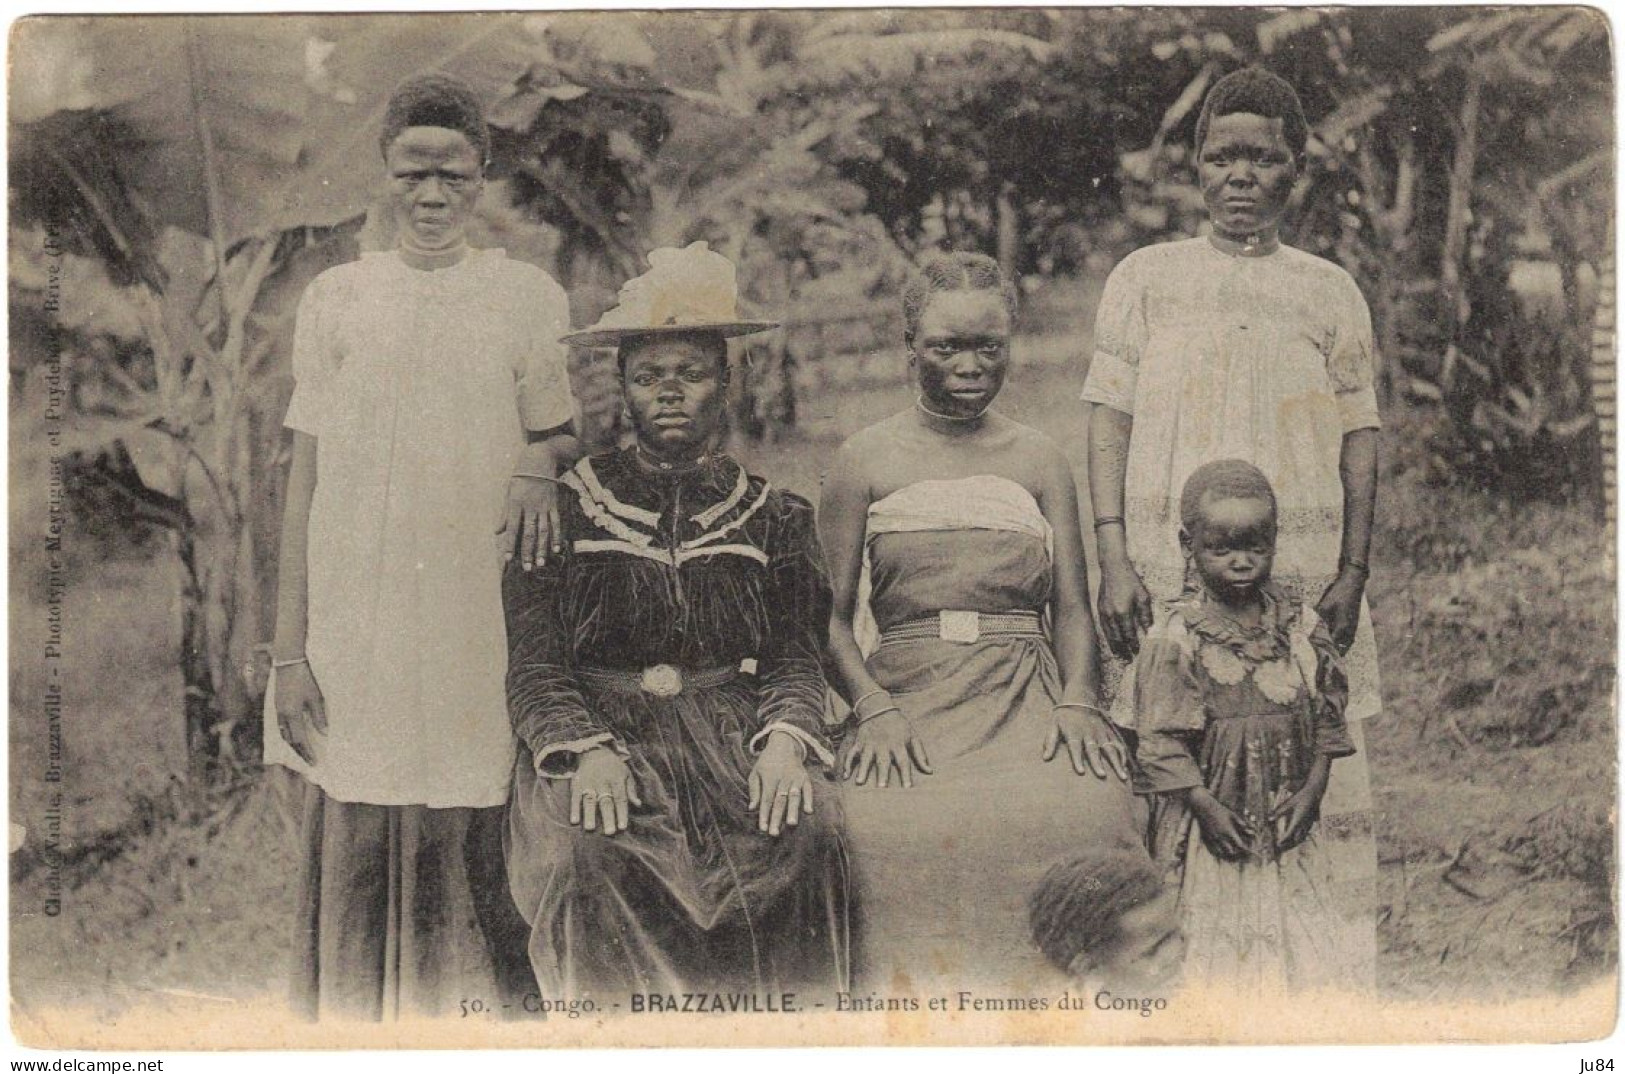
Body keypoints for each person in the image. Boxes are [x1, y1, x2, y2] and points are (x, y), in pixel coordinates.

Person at [265, 74, 577, 1020]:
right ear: (386, 174)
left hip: (471, 604)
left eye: (454, 175)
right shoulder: (337, 299)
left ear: (482, 177)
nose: (432, 197)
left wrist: (536, 463)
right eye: (413, 173)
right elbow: (304, 481)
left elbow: (558, 431)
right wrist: (288, 651)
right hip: (357, 609)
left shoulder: (525, 295)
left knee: (469, 792)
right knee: (364, 793)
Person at [1082, 66, 1380, 983]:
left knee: (1305, 754)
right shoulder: (1146, 279)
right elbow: (1107, 420)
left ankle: (1311, 983)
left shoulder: (1327, 291)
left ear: (1298, 169)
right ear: (1196, 167)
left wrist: (1352, 572)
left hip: (1291, 575)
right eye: (1221, 157)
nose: (1239, 176)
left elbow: (1360, 437)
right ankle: (1179, 986)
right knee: (1170, 763)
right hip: (1165, 575)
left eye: (1262, 158)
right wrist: (1112, 560)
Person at [502, 243, 849, 1000]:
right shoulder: (565, 507)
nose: (668, 394)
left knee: (806, 832)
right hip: (604, 734)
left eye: (690, 375)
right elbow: (533, 664)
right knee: (586, 854)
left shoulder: (775, 514)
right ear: (622, 388)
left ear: (728, 383)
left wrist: (787, 742)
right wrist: (582, 750)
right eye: (648, 376)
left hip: (731, 735)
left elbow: (797, 654)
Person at [820, 250, 1150, 993]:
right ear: (910, 349)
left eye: (987, 346)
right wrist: (871, 709)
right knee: (880, 825)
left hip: (1022, 692)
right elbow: (829, 621)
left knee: (1087, 809)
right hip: (908, 695)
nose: (969, 365)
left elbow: (1070, 605)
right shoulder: (862, 459)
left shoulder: (1037, 459)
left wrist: (1076, 701)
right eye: (946, 346)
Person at [1120, 460, 1369, 991]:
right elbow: (1160, 740)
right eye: (1222, 548)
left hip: (1285, 820)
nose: (1241, 562)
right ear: (1189, 544)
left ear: (1276, 539)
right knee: (1211, 953)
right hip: (1212, 823)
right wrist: (1205, 809)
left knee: (1298, 947)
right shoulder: (1178, 635)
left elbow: (1327, 716)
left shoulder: (1301, 627)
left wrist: (1313, 791)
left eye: (1256, 546)